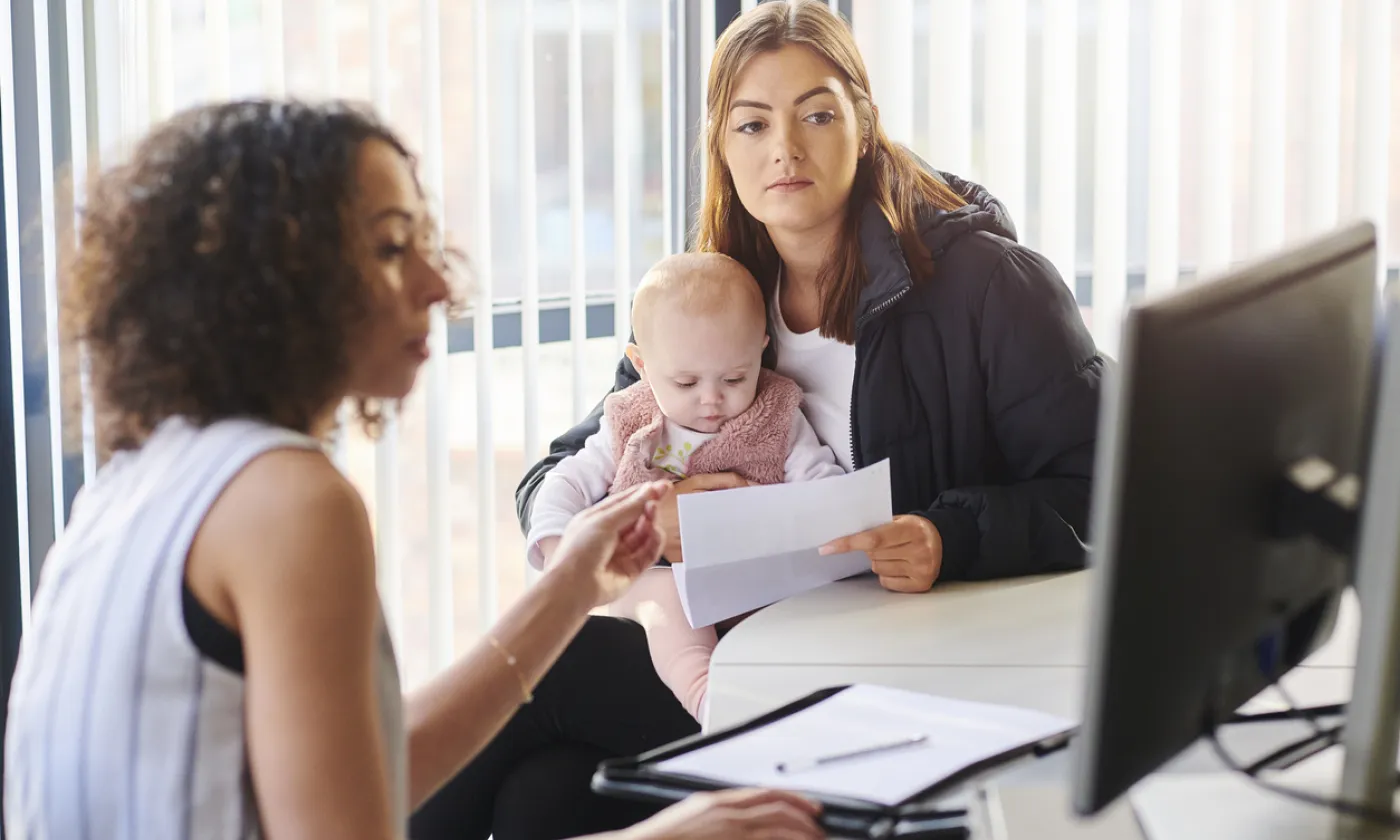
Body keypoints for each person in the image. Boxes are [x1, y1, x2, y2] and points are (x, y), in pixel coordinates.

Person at [2, 99, 824, 840]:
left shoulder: (141, 479)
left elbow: (363, 772)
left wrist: (575, 581)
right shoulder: (288, 502)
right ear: (282, 283)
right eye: (393, 248)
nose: (438, 283)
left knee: (547, 793)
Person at [419, 1, 1104, 837]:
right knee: (545, 797)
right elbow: (570, 464)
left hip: (902, 674)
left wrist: (946, 535)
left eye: (816, 114)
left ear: (864, 125)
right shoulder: (716, 292)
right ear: (721, 146)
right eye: (752, 124)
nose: (784, 148)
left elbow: (1108, 491)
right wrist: (646, 523)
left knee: (551, 674)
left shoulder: (990, 287)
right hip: (747, 653)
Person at [526, 251, 845, 722]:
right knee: (666, 599)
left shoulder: (776, 415)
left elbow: (823, 488)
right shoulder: (630, 419)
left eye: (735, 377)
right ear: (641, 364)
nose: (711, 399)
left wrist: (804, 522)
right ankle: (706, 697)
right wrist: (561, 551)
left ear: (761, 349)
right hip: (653, 580)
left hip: (753, 584)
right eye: (686, 382)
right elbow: (565, 482)